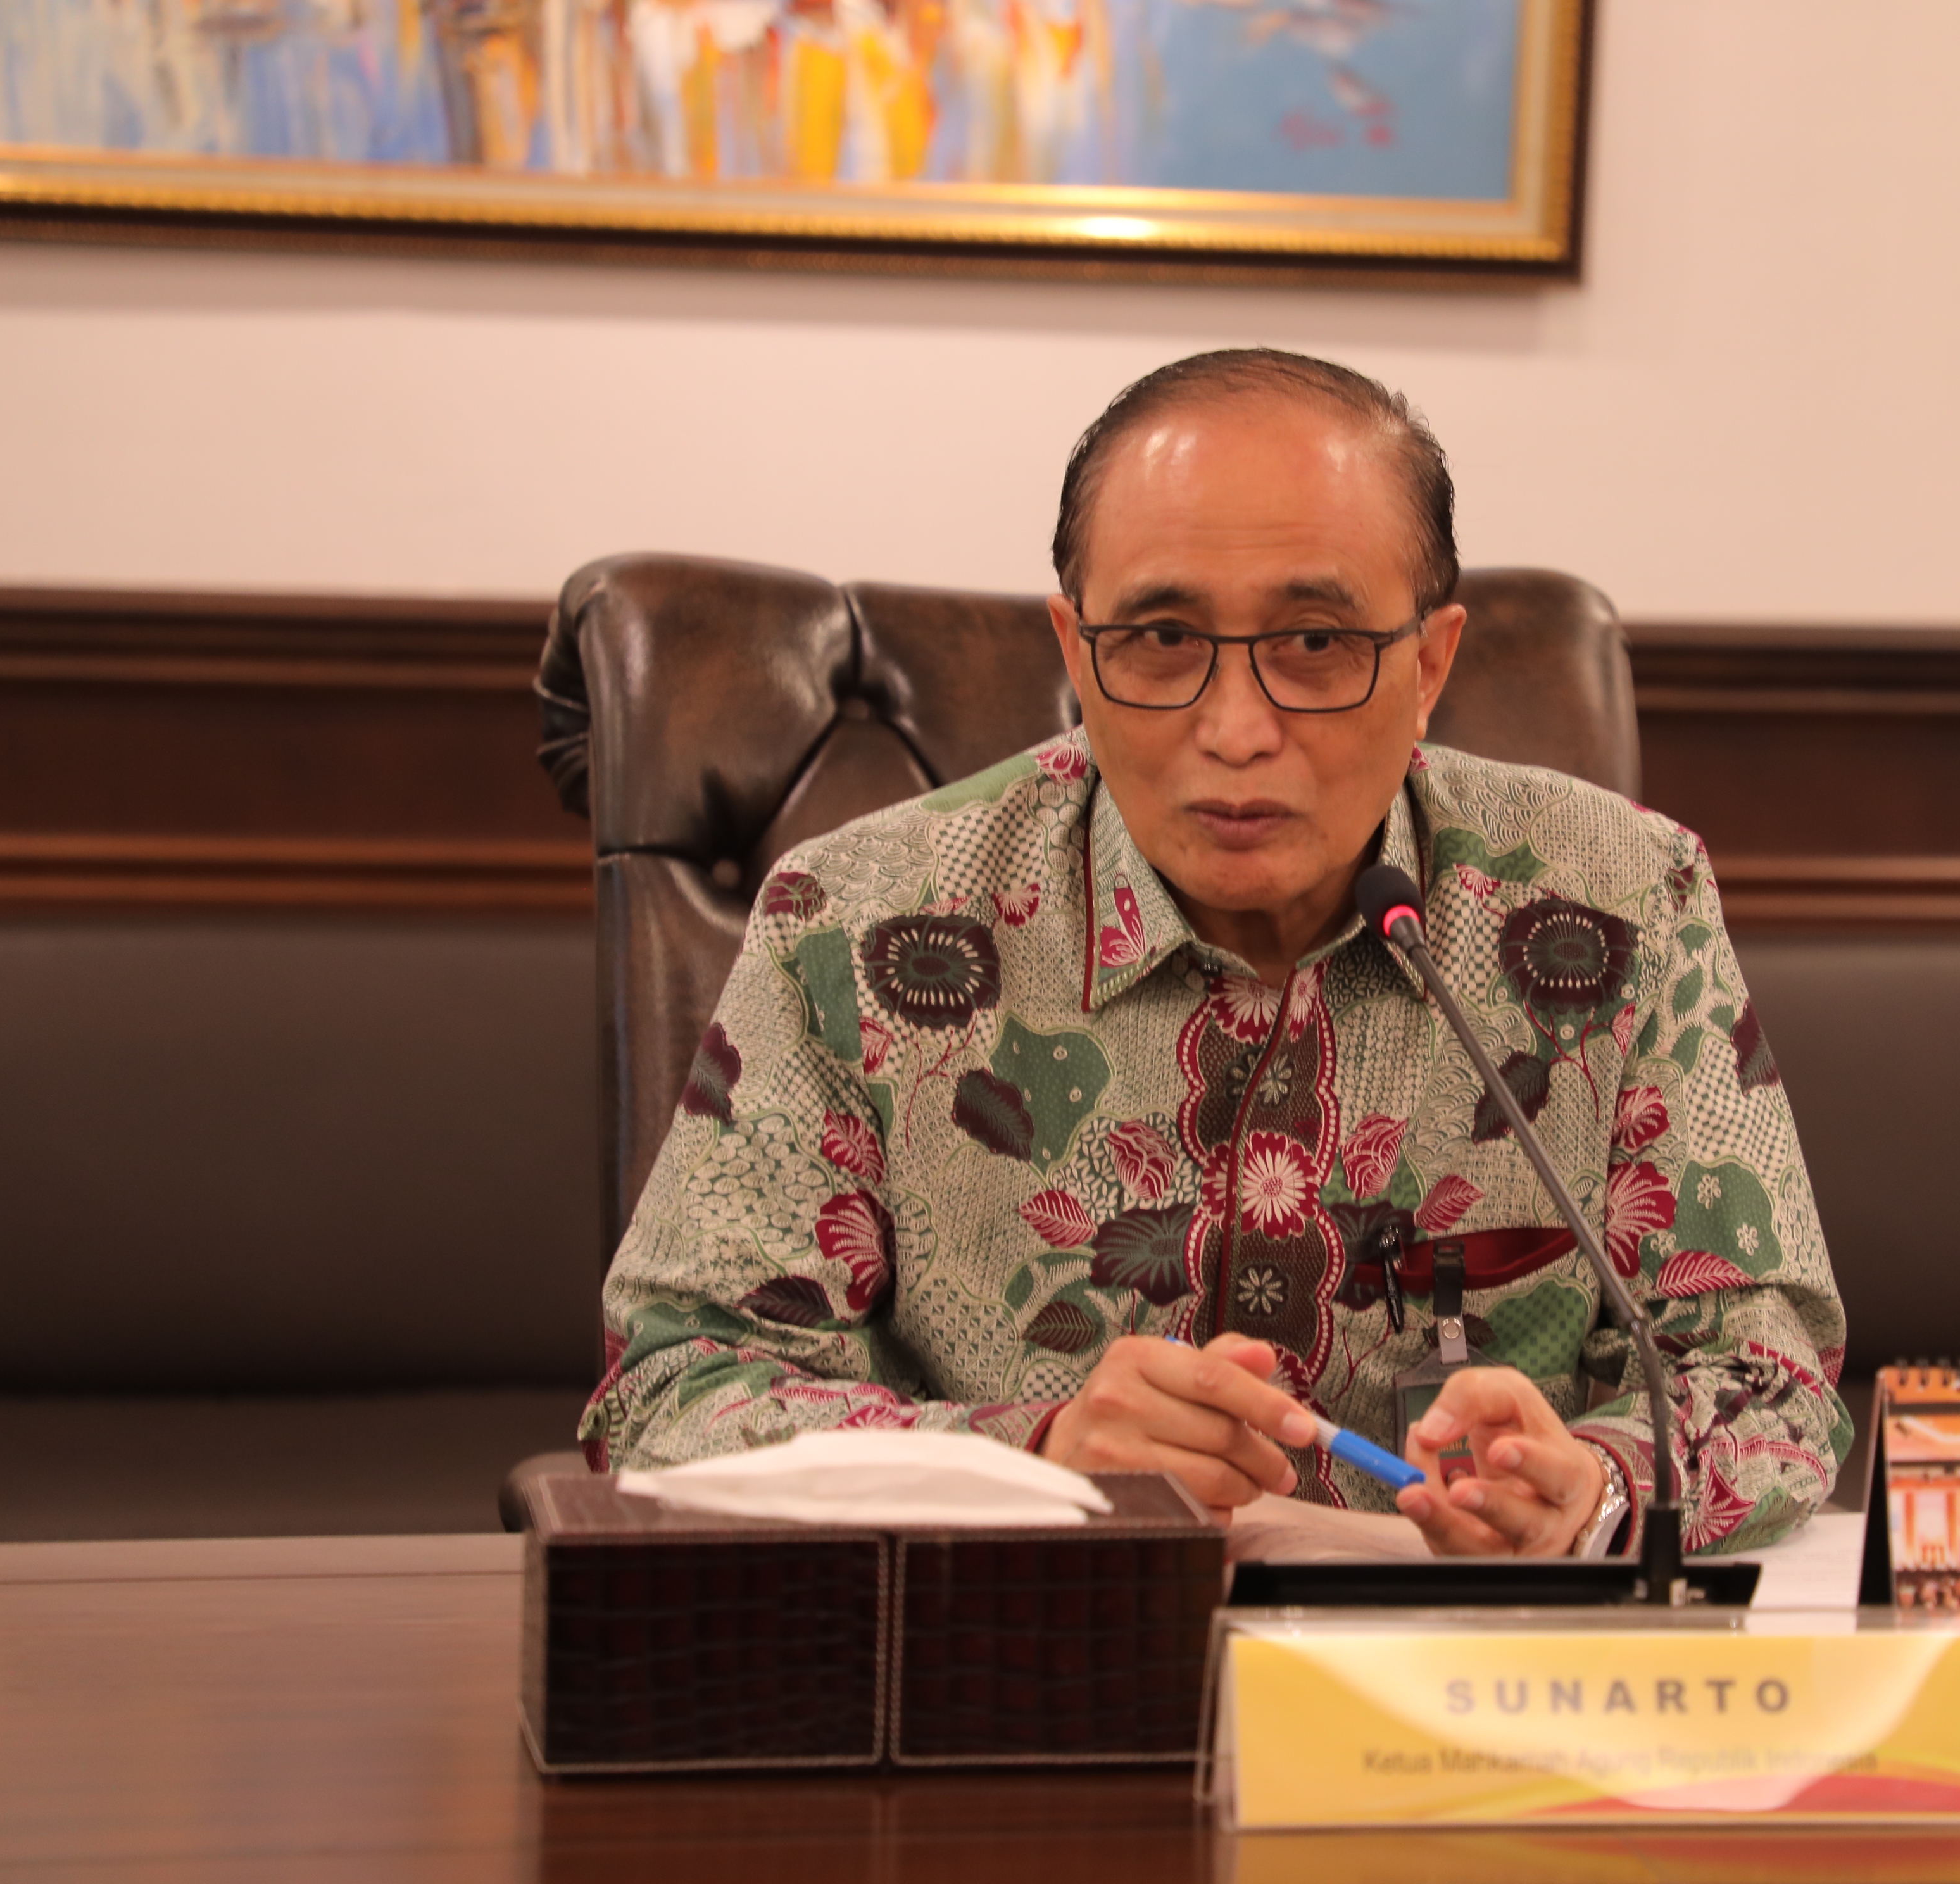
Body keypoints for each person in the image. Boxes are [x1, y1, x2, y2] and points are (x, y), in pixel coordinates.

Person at [581, 349, 1850, 1560]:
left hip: (1469, 1673)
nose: (1237, 730)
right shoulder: (854, 926)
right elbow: (672, 1392)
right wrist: (1036, 1455)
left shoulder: (1621, 902)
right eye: (1162, 640)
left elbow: (1768, 1376)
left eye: (1316, 643)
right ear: (1076, 656)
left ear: (1428, 665)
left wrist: (1600, 1487)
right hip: (1021, 1662)